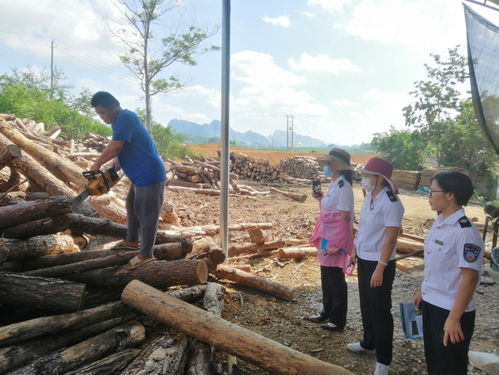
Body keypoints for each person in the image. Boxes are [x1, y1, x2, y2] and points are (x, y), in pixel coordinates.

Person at [413, 171, 484, 375]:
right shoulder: (440, 222)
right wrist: (422, 289)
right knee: (434, 361)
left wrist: (454, 318)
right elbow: (435, 264)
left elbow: (470, 279)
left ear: (450, 195)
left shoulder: (465, 232)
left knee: (450, 367)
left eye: (432, 191)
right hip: (432, 304)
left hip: (451, 311)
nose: (428, 196)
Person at [89, 91, 166, 269]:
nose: (101, 117)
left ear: (114, 106)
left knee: (147, 215)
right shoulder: (119, 121)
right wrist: (118, 160)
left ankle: (146, 254)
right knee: (131, 206)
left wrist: (96, 164)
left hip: (149, 175)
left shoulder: (125, 117)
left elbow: (115, 146)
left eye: (102, 113)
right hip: (138, 175)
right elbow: (125, 144)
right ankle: (132, 241)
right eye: (98, 114)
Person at [347, 157, 404, 375]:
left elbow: (390, 239)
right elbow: (363, 229)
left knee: (380, 310)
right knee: (366, 305)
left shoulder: (392, 203)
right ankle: (368, 342)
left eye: (367, 176)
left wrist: (380, 268)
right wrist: (354, 250)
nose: (364, 179)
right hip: (365, 257)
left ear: (379, 179)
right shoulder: (370, 196)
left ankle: (383, 359)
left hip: (380, 263)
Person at [306, 149, 354, 332]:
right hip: (327, 236)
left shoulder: (344, 187)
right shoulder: (334, 184)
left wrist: (337, 243)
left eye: (328, 164)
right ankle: (326, 310)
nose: (325, 167)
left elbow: (344, 217)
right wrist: (321, 199)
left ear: (336, 165)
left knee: (335, 278)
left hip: (335, 239)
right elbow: (329, 210)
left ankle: (337, 318)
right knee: (326, 275)